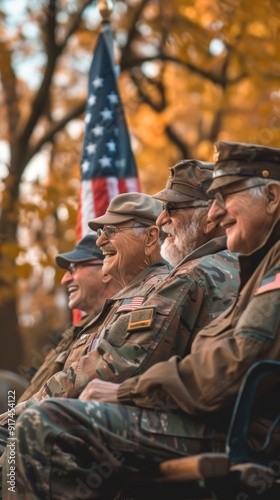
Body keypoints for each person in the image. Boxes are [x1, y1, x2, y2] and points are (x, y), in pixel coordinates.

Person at [5, 141, 279, 500]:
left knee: (45, 424)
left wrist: (125, 392)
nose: (215, 214)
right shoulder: (250, 268)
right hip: (220, 419)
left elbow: (220, 369)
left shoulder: (201, 275)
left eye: (224, 197)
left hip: (237, 430)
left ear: (272, 196)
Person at [0, 192, 171, 425]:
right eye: (101, 233)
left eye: (112, 231)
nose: (100, 242)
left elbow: (108, 368)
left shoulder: (161, 291)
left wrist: (16, 415)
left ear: (151, 237)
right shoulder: (122, 302)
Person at [17, 233, 122, 403]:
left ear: (105, 271)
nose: (65, 279)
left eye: (73, 269)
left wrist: (10, 423)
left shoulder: (120, 323)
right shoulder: (78, 330)